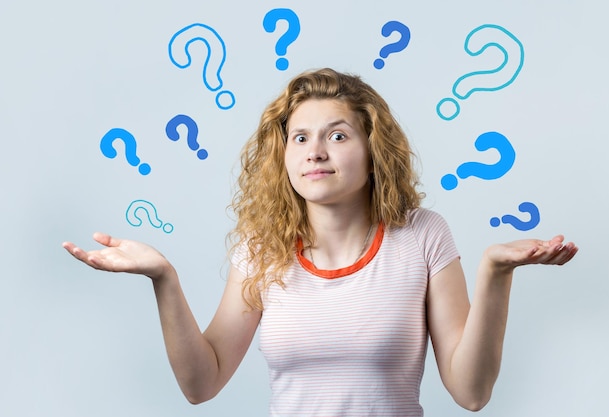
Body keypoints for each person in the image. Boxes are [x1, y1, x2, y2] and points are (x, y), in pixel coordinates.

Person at [62, 67, 578, 416]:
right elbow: (202, 383)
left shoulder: (422, 235)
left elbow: (470, 392)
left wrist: (496, 274)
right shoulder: (261, 247)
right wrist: (163, 278)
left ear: (373, 151)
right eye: (300, 137)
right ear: (283, 156)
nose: (316, 151)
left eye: (337, 135)